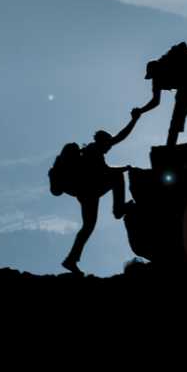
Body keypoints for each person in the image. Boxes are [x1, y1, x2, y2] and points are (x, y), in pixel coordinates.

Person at [61, 108, 142, 275]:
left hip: (88, 192)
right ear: (101, 142)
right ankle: (118, 209)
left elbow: (120, 136)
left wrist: (134, 120)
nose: (109, 147)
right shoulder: (92, 152)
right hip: (89, 191)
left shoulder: (96, 149)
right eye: (108, 144)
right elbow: (106, 171)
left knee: (88, 227)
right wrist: (125, 168)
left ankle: (71, 259)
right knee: (117, 177)